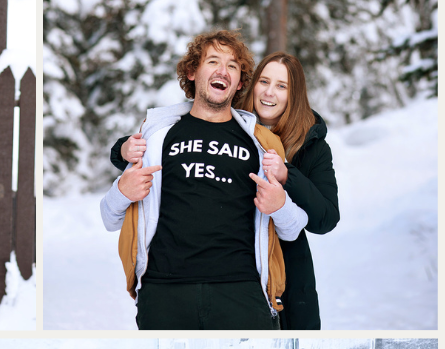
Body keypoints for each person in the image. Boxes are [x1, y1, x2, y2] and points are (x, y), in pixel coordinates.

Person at [109, 51, 339, 329]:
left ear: (295, 94)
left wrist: (287, 174)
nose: (269, 92)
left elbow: (325, 218)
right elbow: (170, 130)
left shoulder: (311, 146)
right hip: (194, 280)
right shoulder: (237, 122)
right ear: (250, 84)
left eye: (282, 86)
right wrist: (123, 149)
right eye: (264, 81)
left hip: (284, 266)